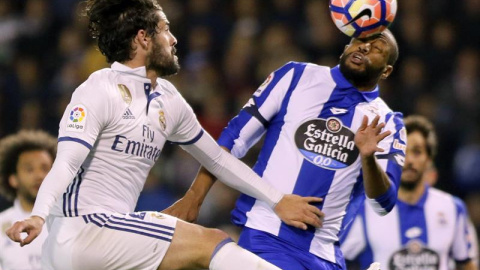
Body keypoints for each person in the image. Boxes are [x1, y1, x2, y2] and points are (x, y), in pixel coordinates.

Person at [5, 1, 325, 269]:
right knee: (210, 242)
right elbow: (66, 163)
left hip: (108, 239)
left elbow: (215, 158)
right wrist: (38, 215)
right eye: (166, 30)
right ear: (143, 39)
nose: (173, 40)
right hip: (80, 231)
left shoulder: (169, 101)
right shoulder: (98, 89)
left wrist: (277, 200)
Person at [164, 29, 406, 269]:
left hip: (326, 255)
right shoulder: (296, 76)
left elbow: (383, 203)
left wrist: (368, 158)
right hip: (267, 234)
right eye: (360, 40)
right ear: (347, 46)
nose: (364, 47)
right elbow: (234, 139)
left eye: (377, 48)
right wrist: (195, 197)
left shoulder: (388, 122)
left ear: (386, 70)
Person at [340, 115, 478, 270]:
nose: (409, 160)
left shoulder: (452, 208)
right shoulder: (364, 209)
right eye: (402, 152)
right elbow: (336, 257)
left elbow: (467, 264)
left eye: (417, 152)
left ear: (429, 159)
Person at [0, 130, 56, 270]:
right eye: (29, 169)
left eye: (45, 168)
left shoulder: (71, 222)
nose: (39, 176)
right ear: (13, 179)